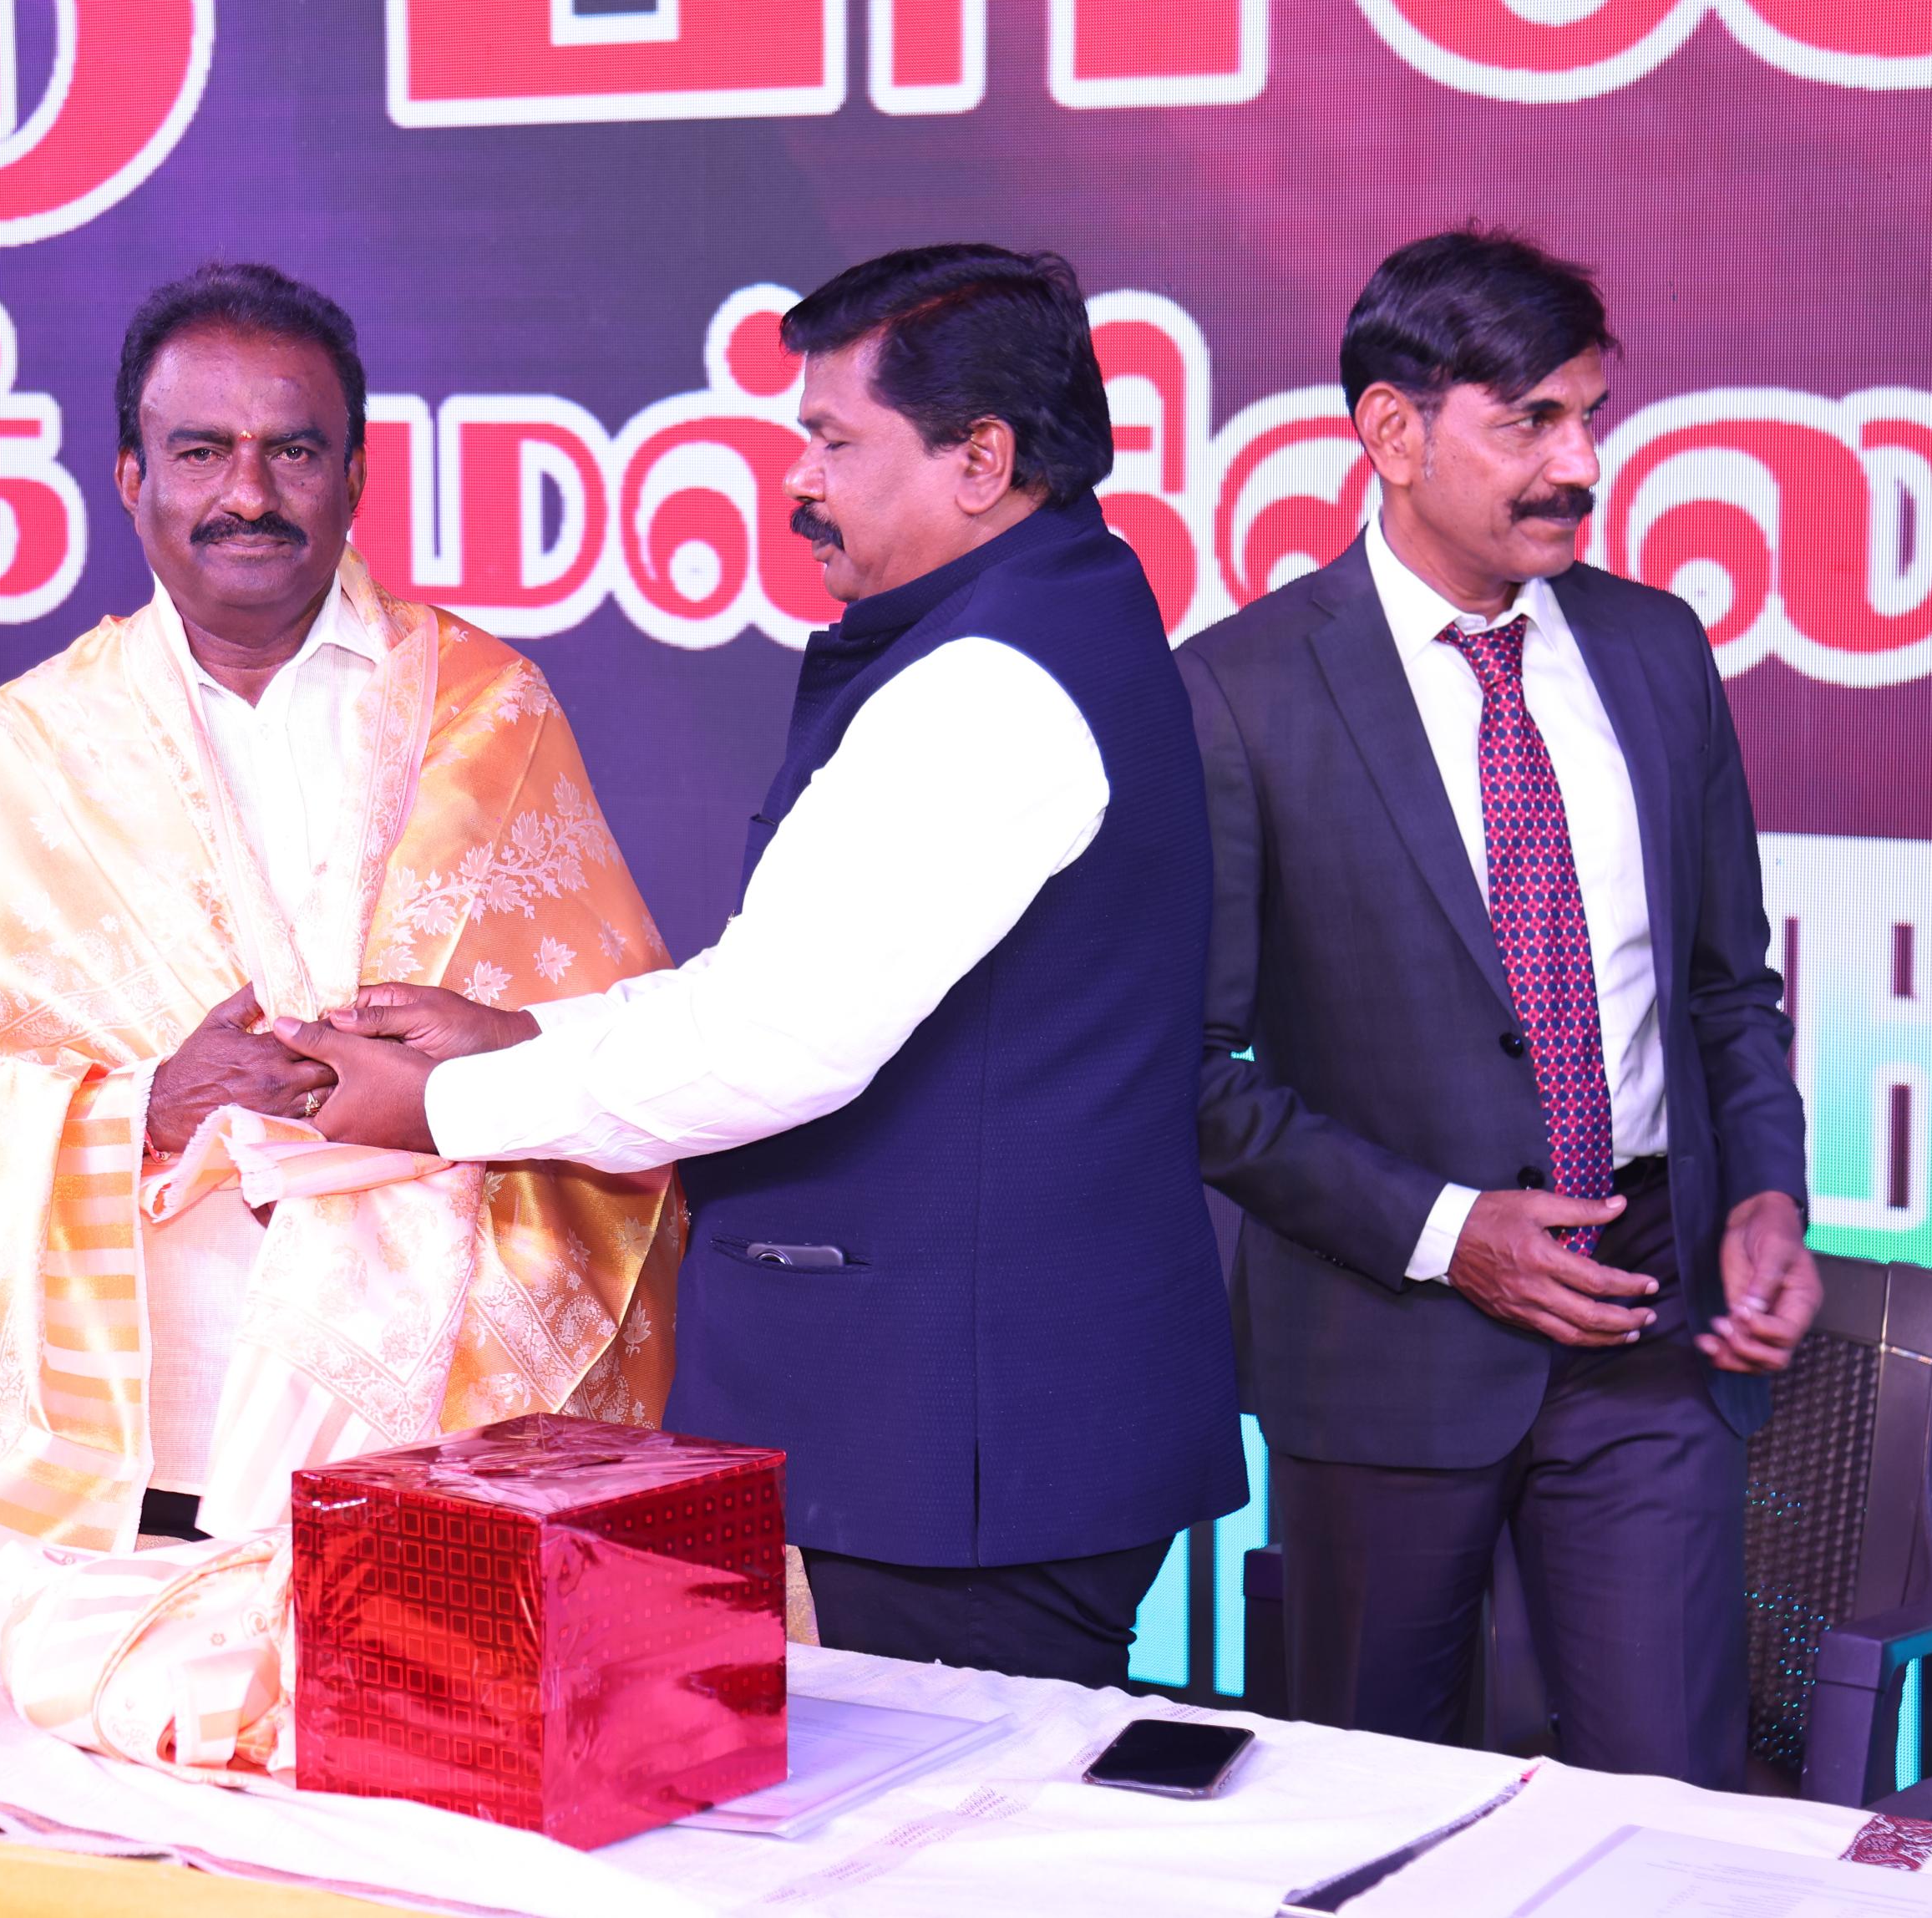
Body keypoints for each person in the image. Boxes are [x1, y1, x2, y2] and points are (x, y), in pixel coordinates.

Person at [271, 246, 1248, 1690]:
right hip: (982, 1435)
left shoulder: (987, 688)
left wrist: (437, 1110)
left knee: (935, 1813)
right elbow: (781, 982)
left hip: (957, 1458)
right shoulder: (1055, 613)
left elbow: (779, 1039)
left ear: (982, 460)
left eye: (835, 442)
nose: (799, 480)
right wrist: (521, 1038)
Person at [0, 264, 678, 1774]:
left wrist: (464, 1067)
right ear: (131, 478)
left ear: (357, 475)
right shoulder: (46, 740)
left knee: (401, 1821)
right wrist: (142, 1106)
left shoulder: (487, 713)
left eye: (292, 450)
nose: (247, 493)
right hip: (138, 1485)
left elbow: (612, 1050)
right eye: (201, 451)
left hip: (421, 1453)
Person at [1179, 226, 1816, 1787]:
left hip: (1649, 1316)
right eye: (1530, 421)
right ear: (1392, 432)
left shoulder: (1656, 650)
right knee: (1362, 1803)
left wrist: (1768, 1192)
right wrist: (1450, 1231)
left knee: (1668, 1810)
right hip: (1383, 1339)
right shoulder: (1240, 692)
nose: (1578, 464)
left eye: (1589, 417)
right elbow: (1195, 1073)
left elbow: (1729, 987)